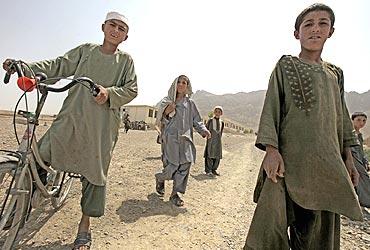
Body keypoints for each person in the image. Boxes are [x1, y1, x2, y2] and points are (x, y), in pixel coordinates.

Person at [3, 11, 137, 250]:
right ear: (103, 27)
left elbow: (132, 89)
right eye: (112, 25)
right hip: (72, 115)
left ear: (125, 37)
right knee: (41, 152)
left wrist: (109, 93)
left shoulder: (125, 62)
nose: (116, 30)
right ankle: (22, 204)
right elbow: (59, 65)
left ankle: (85, 226)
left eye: (121, 29)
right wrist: (26, 68)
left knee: (94, 171)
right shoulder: (85, 51)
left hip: (101, 125)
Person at [244, 3, 363, 249]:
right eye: (308, 24)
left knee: (316, 235)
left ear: (331, 31)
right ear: (297, 33)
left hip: (326, 166)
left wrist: (348, 160)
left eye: (322, 24)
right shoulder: (286, 66)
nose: (315, 29)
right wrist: (271, 150)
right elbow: (272, 107)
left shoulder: (335, 74)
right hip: (287, 163)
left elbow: (341, 118)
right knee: (270, 229)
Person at [154, 75, 211, 206]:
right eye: (178, 82)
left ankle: (176, 193)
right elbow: (160, 121)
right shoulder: (166, 102)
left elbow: (196, 120)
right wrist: (167, 112)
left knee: (185, 165)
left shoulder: (190, 104)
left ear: (187, 86)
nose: (181, 84)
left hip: (186, 140)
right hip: (170, 139)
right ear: (174, 84)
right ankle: (160, 177)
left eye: (184, 82)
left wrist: (203, 130)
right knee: (172, 166)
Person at [351, 112, 370, 208]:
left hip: (359, 159)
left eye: (364, 121)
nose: (361, 123)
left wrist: (365, 161)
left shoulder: (360, 135)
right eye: (358, 120)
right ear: (352, 120)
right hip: (352, 159)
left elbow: (361, 150)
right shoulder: (350, 134)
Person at [204, 106, 224, 176]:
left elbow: (220, 132)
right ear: (214, 112)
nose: (217, 113)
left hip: (218, 141)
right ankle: (208, 170)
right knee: (209, 154)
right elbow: (205, 129)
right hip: (211, 141)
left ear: (221, 113)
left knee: (217, 155)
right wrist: (205, 136)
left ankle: (214, 170)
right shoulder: (210, 120)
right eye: (216, 111)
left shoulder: (222, 122)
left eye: (219, 112)